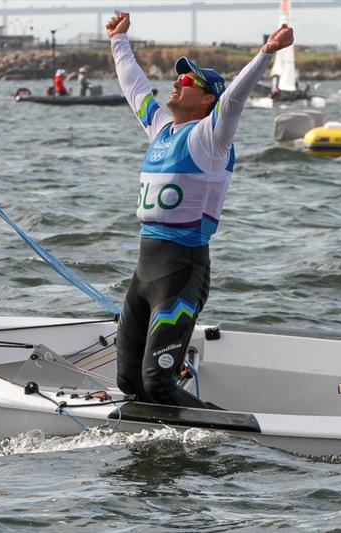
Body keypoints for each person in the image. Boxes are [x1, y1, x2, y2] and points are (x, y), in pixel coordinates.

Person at [107, 12, 293, 408]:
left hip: (182, 270)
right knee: (128, 381)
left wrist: (266, 53)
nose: (177, 82)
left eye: (188, 81)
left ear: (208, 98)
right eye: (178, 78)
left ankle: (229, 436)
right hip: (144, 271)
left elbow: (236, 97)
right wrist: (119, 40)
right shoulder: (160, 129)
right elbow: (133, 86)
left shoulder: (211, 138)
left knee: (158, 383)